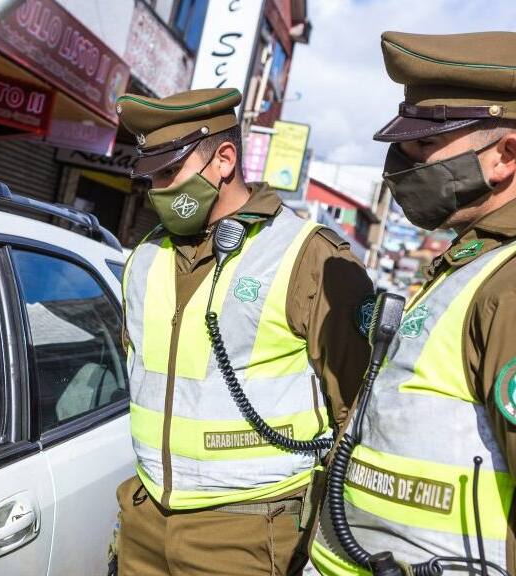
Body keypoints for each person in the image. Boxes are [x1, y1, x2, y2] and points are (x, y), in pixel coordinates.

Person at [115, 87, 373, 575]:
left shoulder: (309, 256)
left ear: (224, 159)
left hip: (250, 531)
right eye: (152, 176)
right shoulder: (144, 255)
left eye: (171, 172)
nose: (158, 189)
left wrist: (332, 550)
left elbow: (356, 414)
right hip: (146, 519)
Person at [310, 31, 516, 576]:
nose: (400, 162)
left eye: (423, 146)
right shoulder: (471, 261)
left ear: (506, 156)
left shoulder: (510, 285)